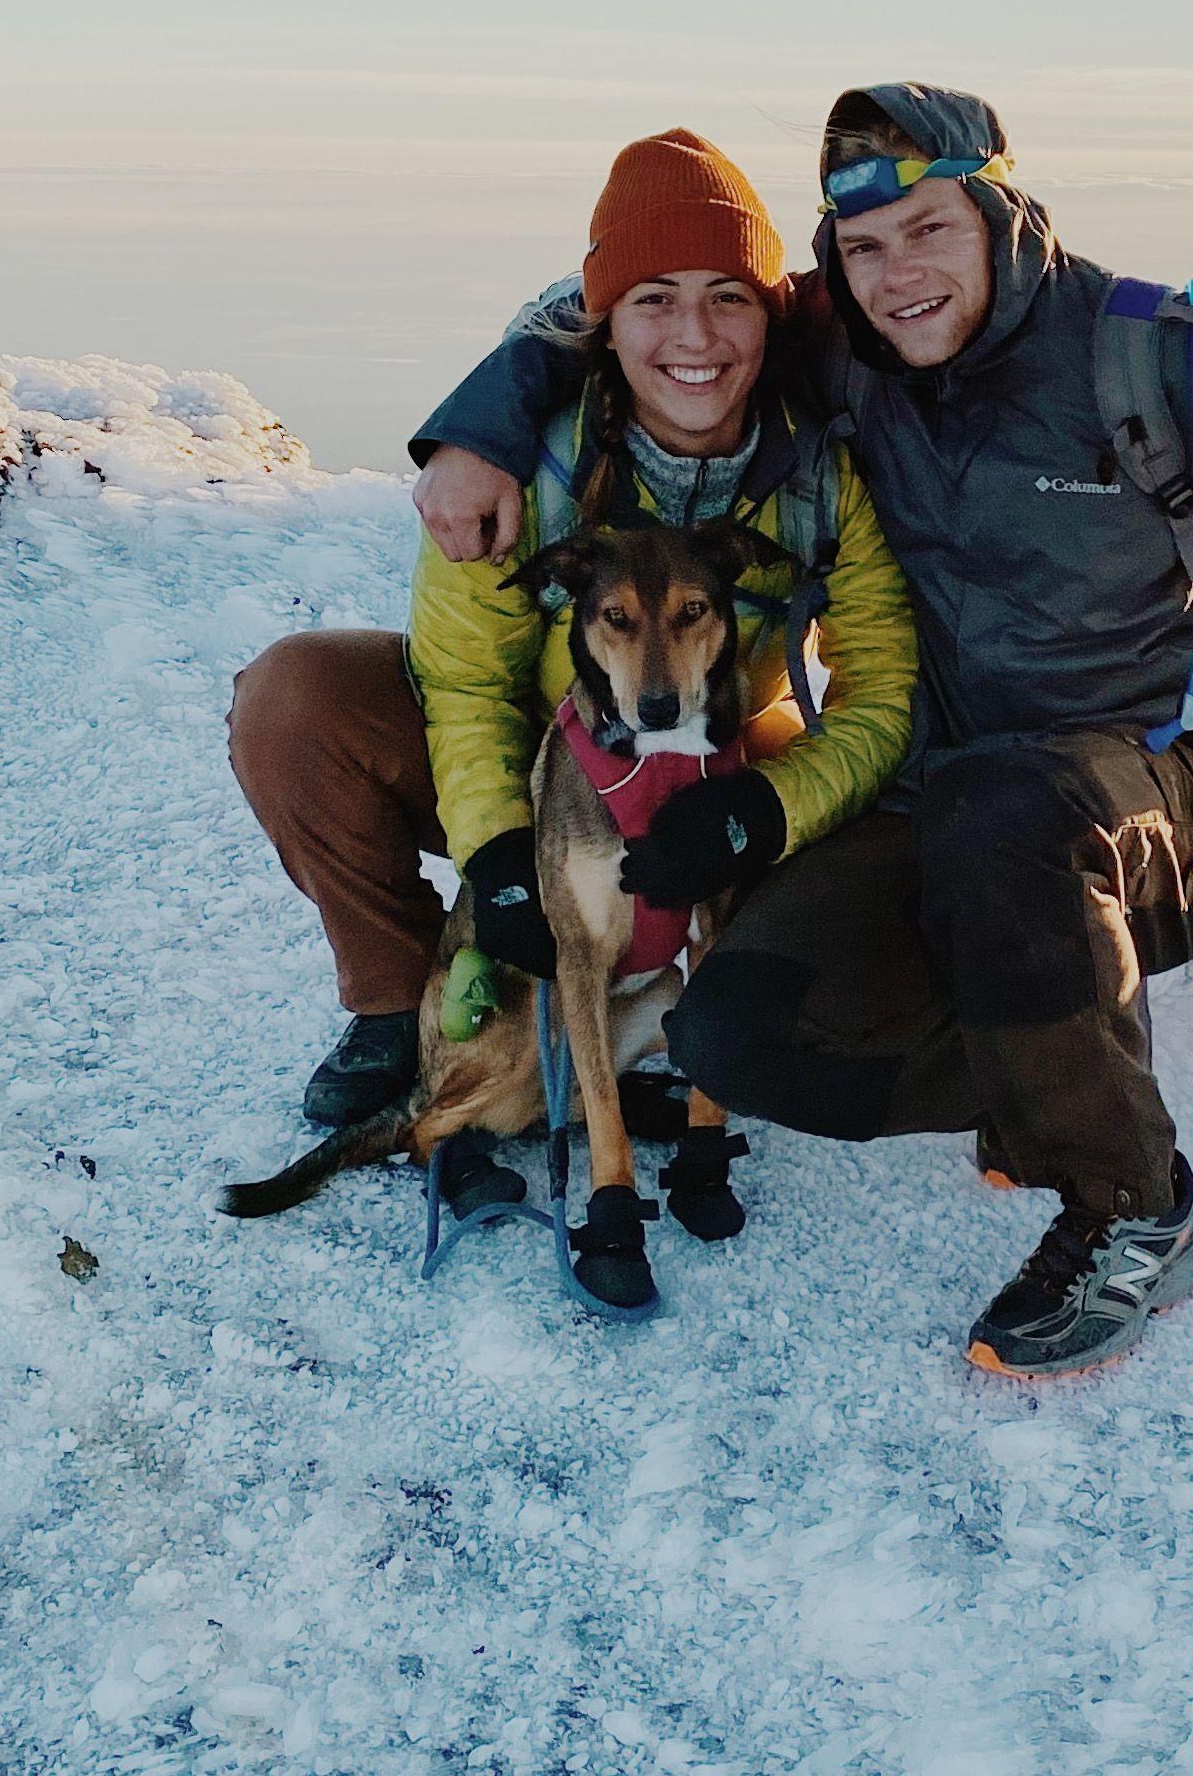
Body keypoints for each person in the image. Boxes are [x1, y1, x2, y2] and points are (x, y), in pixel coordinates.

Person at [407, 82, 1193, 1376]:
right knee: (734, 1032)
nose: (899, 278)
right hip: (951, 804)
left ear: (1002, 213)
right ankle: (1039, 1055)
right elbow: (652, 308)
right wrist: (483, 427)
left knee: (1016, 806)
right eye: (865, 249)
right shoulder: (854, 342)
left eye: (932, 230)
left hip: (1164, 803)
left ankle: (1133, 1202)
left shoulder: (1168, 353)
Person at [227, 129, 918, 1278]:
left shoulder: (818, 471)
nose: (693, 339)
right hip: (552, 774)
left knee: (833, 813)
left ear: (769, 313)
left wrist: (769, 812)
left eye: (725, 300)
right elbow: (463, 679)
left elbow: (883, 691)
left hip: (707, 764)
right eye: (654, 300)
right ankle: (415, 1008)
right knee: (292, 701)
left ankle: (707, 1026)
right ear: (606, 320)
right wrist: (500, 852)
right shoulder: (521, 463)